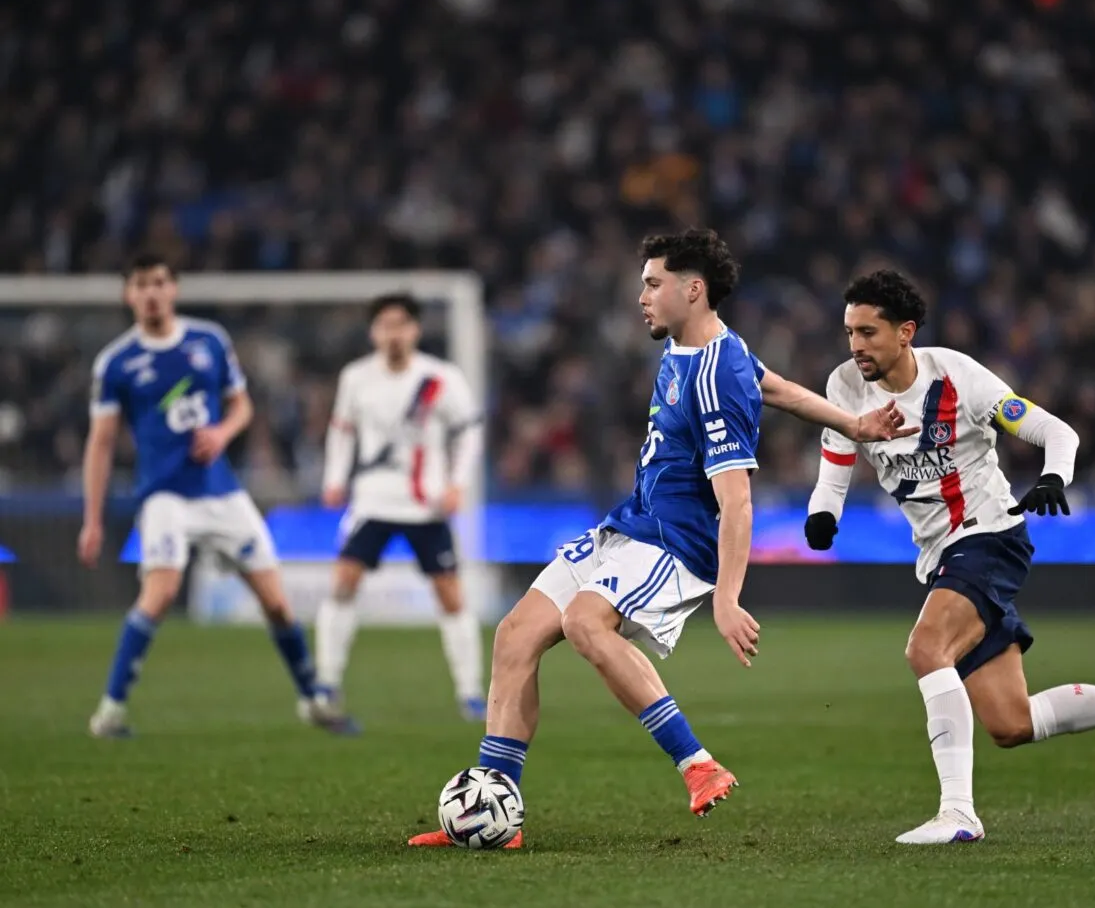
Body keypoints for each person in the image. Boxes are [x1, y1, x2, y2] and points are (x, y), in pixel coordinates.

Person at [410, 229, 914, 848]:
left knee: (586, 624)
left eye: (653, 284)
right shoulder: (703, 350)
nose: (642, 296)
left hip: (675, 542)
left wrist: (728, 598)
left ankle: (697, 764)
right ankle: (494, 807)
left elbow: (737, 501)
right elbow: (772, 385)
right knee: (515, 635)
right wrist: (854, 423)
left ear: (692, 289)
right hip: (631, 522)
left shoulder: (713, 378)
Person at [803, 269, 1095, 845]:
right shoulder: (845, 385)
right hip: (940, 555)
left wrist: (1053, 477)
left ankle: (959, 813)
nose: (855, 345)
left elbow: (1057, 432)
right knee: (1011, 722)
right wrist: (825, 514)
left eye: (868, 332)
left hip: (989, 536)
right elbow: (836, 458)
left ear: (905, 333)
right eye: (849, 332)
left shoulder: (958, 378)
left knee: (926, 649)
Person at [81, 252, 341, 737]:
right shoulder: (116, 362)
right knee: (159, 595)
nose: (152, 292)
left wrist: (222, 434)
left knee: (278, 604)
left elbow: (241, 405)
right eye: (141, 284)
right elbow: (99, 443)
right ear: (128, 294)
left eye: (159, 282)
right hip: (164, 496)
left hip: (221, 492)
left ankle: (313, 701)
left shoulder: (209, 341)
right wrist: (92, 519)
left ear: (174, 288)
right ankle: (109, 711)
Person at [316, 293, 485, 731]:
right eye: (385, 325)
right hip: (371, 499)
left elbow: (469, 433)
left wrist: (457, 484)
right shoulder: (356, 378)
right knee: (343, 581)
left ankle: (470, 692)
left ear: (415, 329)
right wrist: (334, 478)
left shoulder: (440, 377)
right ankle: (327, 683)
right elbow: (342, 431)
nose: (393, 333)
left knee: (449, 593)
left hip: (425, 503)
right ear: (374, 332)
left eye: (401, 324)